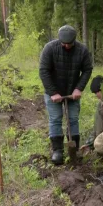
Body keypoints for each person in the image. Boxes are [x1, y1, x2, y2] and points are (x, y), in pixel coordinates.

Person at [39, 25, 93, 165]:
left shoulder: (82, 50)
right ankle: (57, 150)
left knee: (73, 119)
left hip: (72, 92)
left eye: (69, 44)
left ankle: (73, 149)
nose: (66, 46)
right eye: (64, 44)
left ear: (74, 41)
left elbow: (87, 69)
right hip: (53, 92)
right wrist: (53, 92)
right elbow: (43, 71)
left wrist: (78, 88)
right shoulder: (49, 48)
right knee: (56, 118)